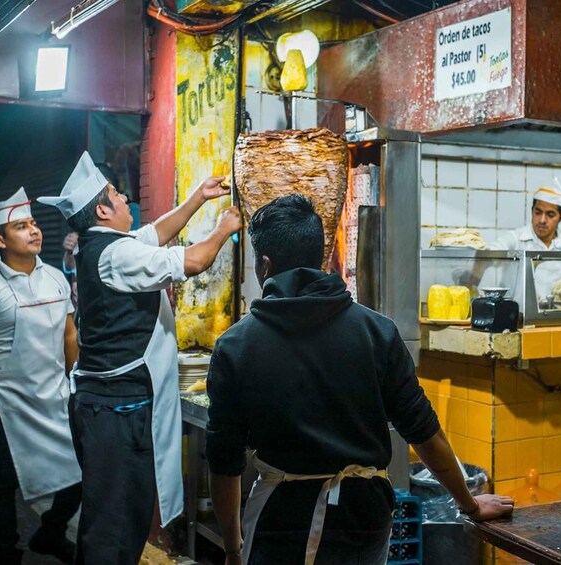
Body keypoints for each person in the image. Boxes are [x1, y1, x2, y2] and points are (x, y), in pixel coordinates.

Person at [205, 195, 514, 565]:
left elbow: (224, 462)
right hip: (366, 514)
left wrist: (232, 548)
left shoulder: (237, 345)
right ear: (319, 256)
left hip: (283, 515)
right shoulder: (376, 331)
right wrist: (469, 504)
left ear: (265, 264)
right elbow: (425, 432)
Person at [37, 151, 241, 564]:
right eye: (115, 193)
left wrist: (199, 198)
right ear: (101, 210)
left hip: (108, 406)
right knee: (112, 527)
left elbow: (155, 233)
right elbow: (196, 260)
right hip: (116, 412)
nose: (124, 196)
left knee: (117, 517)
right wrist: (225, 228)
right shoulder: (116, 255)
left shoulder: (105, 244)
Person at [0, 188, 81, 565]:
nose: (35, 231)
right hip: (6, 402)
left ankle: (50, 532)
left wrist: (78, 381)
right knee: (5, 481)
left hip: (56, 395)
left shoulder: (57, 279)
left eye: (34, 224)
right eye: (22, 226)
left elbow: (69, 334)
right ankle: (7, 553)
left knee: (78, 472)